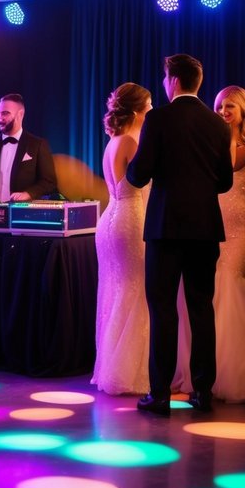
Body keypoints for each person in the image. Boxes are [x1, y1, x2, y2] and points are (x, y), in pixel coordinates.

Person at [126, 54, 233, 416]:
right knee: (202, 308)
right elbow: (225, 181)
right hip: (205, 228)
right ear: (198, 82)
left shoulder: (158, 119)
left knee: (163, 309)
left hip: (166, 227)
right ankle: (202, 392)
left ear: (172, 80)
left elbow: (139, 175)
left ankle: (160, 395)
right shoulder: (218, 125)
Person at [174, 87, 245, 402]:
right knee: (211, 292)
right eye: (220, 105)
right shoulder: (213, 141)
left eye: (230, 106)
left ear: (243, 110)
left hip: (244, 226)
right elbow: (231, 163)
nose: (223, 110)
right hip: (211, 222)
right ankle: (211, 372)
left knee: (234, 284)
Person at [91, 83, 152, 395]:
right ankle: (130, 371)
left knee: (118, 288)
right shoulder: (129, 141)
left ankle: (112, 365)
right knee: (136, 287)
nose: (152, 110)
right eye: (150, 105)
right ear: (139, 109)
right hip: (130, 218)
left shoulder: (112, 141)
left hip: (109, 220)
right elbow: (144, 179)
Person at [0, 94, 57, 201]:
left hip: (22, 212)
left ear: (20, 114)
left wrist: (29, 193)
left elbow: (49, 182)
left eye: (5, 113)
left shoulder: (38, 144)